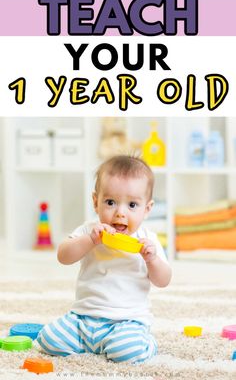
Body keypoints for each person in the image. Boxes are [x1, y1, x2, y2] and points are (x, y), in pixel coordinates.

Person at [37, 155, 172, 363]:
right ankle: (90, 344)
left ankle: (147, 343)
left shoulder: (147, 241)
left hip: (126, 321)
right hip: (82, 319)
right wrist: (90, 241)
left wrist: (152, 260)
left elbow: (163, 280)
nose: (120, 213)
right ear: (95, 202)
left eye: (132, 205)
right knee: (48, 340)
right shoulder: (89, 231)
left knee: (127, 351)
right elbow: (63, 256)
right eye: (110, 202)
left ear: (147, 209)